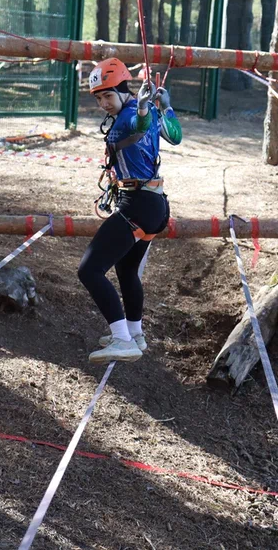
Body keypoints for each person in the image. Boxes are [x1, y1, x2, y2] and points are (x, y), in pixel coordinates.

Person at [77, 58, 183, 364]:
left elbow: (139, 125)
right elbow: (174, 135)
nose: (103, 104)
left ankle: (122, 340)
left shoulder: (130, 116)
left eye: (108, 95)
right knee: (126, 269)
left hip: (137, 203)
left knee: (89, 270)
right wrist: (165, 108)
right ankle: (134, 333)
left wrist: (146, 109)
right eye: (99, 98)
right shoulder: (142, 110)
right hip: (154, 205)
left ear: (124, 90)